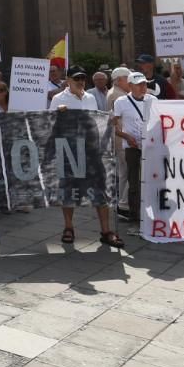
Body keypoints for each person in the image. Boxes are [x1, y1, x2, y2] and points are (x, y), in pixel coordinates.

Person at [50, 70, 123, 249]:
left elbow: (95, 119)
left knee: (101, 189)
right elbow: (49, 123)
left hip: (91, 150)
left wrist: (109, 121)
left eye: (83, 78)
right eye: (77, 78)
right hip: (69, 151)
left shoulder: (90, 97)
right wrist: (58, 115)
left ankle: (106, 231)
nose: (81, 81)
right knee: (68, 190)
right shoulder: (58, 99)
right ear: (68, 80)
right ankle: (68, 228)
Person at [115, 72, 152, 228]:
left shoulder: (153, 100)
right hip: (132, 147)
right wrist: (127, 137)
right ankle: (135, 215)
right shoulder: (121, 102)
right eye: (139, 84)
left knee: (151, 178)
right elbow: (115, 126)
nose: (143, 87)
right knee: (133, 181)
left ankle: (150, 210)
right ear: (130, 86)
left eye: (144, 84)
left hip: (150, 146)